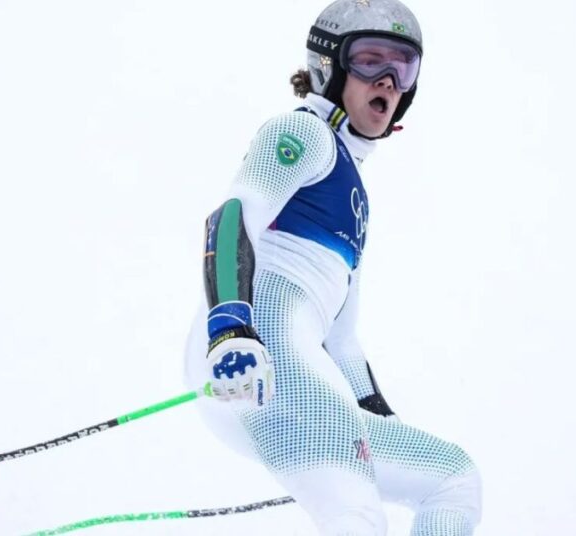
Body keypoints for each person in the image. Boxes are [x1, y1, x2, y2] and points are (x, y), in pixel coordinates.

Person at [183, 1, 482, 534]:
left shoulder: (355, 196)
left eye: (403, 67)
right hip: (255, 353)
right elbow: (230, 219)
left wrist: (378, 422)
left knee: (451, 478)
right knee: (357, 516)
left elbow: (341, 341)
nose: (389, 81)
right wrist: (230, 328)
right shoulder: (306, 135)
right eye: (370, 61)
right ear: (331, 65)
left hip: (296, 367)